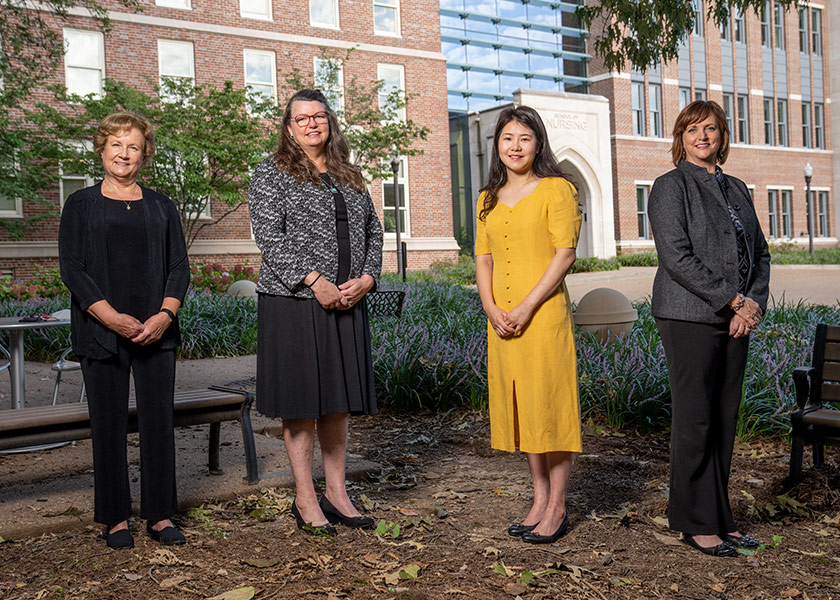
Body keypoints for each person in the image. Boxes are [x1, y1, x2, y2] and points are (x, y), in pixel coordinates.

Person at [248, 89, 383, 535]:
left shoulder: (350, 174)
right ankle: (306, 497)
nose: (312, 124)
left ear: (330, 122)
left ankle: (337, 493)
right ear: (289, 127)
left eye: (319, 116)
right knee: (302, 404)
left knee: (338, 405)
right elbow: (270, 237)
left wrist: (367, 278)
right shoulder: (271, 173)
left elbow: (374, 232)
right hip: (294, 304)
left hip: (347, 300)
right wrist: (314, 282)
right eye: (302, 118)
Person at [59, 112, 190, 550]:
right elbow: (72, 270)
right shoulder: (80, 204)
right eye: (116, 144)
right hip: (102, 332)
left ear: (144, 153)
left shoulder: (161, 205)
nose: (124, 153)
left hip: (157, 331)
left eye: (132, 145)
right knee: (108, 426)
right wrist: (110, 317)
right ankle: (115, 518)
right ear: (101, 149)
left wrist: (164, 316)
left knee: (158, 424)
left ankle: (159, 514)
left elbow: (179, 268)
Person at [648, 100, 770, 557]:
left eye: (712, 129)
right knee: (695, 420)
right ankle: (695, 522)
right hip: (687, 316)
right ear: (681, 137)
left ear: (723, 137)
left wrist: (751, 305)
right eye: (693, 129)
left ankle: (721, 516)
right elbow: (676, 258)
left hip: (736, 318)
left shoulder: (737, 188)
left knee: (723, 419)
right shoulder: (669, 186)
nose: (703, 137)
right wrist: (733, 300)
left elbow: (760, 254)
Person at [474, 105, 582, 544]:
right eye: (507, 138)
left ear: (538, 144)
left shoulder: (557, 190)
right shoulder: (487, 198)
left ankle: (557, 507)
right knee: (524, 410)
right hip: (501, 322)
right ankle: (538, 501)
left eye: (524, 138)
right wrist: (491, 307)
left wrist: (524, 308)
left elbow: (565, 254)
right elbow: (482, 259)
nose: (515, 146)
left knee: (550, 407)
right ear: (497, 145)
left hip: (542, 318)